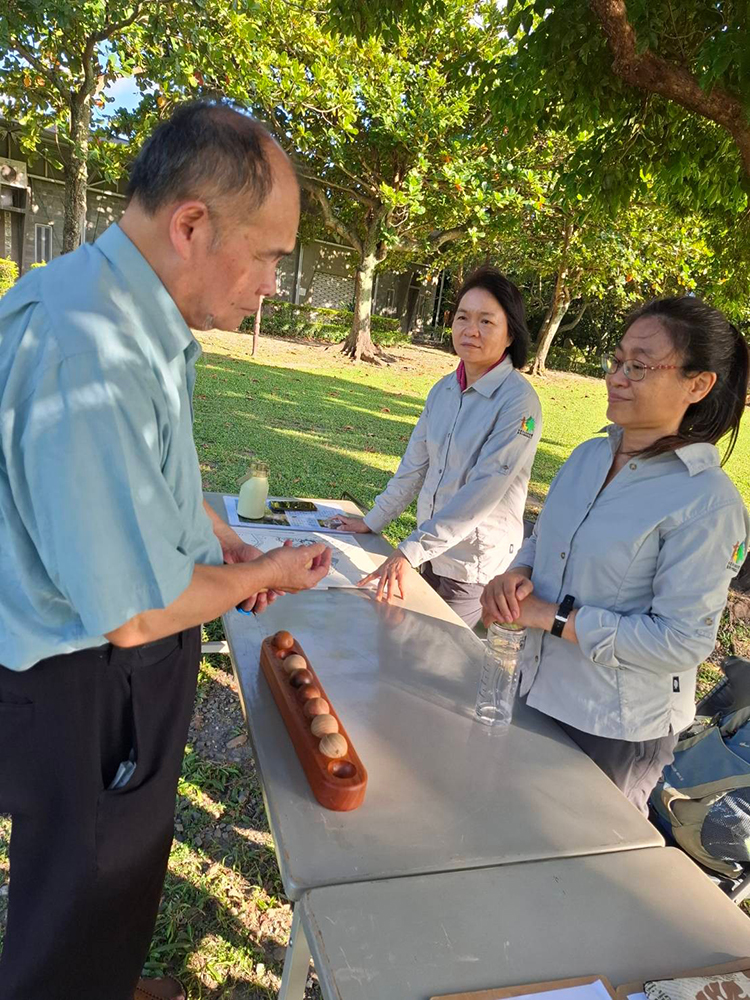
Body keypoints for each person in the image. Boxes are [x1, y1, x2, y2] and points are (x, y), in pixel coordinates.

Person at [0, 101, 331, 1000]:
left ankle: (102, 979)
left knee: (117, 872)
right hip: (88, 677)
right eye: (267, 254)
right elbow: (133, 609)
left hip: (110, 668)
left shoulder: (124, 316)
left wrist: (215, 535)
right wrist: (256, 572)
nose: (272, 281)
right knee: (79, 883)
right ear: (191, 224)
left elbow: (143, 479)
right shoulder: (88, 349)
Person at [481, 297, 750, 815]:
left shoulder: (706, 501)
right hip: (533, 686)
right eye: (617, 360)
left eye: (640, 366)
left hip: (613, 728)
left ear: (698, 385)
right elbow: (546, 540)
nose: (617, 377)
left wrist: (553, 617)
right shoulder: (588, 456)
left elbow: (683, 640)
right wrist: (516, 574)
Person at [336, 267, 542, 628]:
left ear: (510, 333)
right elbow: (415, 466)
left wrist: (409, 551)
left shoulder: (519, 404)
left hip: (472, 565)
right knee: (396, 641)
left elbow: (482, 494)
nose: (470, 330)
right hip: (428, 552)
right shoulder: (444, 389)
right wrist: (373, 521)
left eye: (486, 321)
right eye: (462, 317)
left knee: (430, 659)